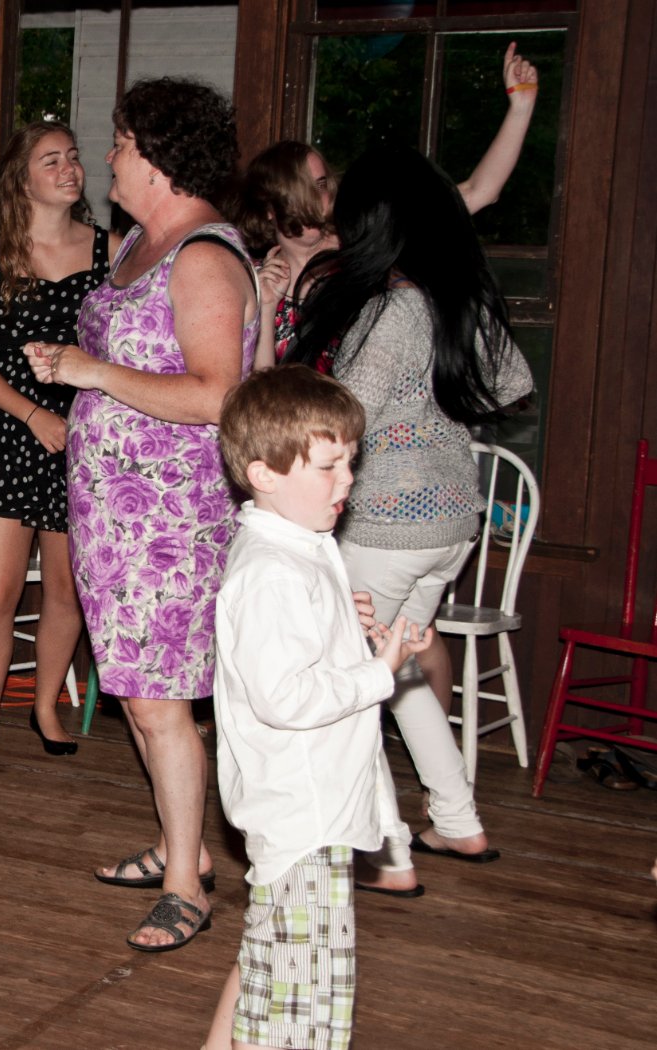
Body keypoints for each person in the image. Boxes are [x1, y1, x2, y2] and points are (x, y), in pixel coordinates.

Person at [25, 76, 258, 952]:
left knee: (159, 701)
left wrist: (90, 372)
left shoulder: (201, 257)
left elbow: (218, 395)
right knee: (136, 690)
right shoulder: (137, 245)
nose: (108, 158)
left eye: (120, 143)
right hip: (116, 514)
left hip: (172, 519)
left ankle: (185, 889)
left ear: (157, 157)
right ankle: (177, 843)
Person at [290, 142, 534, 893]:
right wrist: (430, 407)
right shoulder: (454, 296)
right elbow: (512, 385)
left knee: (351, 682)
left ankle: (387, 852)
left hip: (386, 526)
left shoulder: (396, 307)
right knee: (398, 672)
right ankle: (456, 820)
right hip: (451, 522)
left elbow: (344, 414)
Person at [204, 364, 432, 1050]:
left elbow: (305, 653)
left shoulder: (301, 546)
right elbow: (284, 697)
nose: (347, 480)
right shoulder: (271, 571)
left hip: (315, 803)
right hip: (300, 807)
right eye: (328, 466)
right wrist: (377, 673)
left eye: (350, 462)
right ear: (264, 473)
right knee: (298, 1009)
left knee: (273, 955)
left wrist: (353, 627)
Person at [0, 121, 113, 774]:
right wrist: (32, 414)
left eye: (73, 157)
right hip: (6, 432)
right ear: (21, 177)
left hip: (80, 433)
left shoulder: (109, 250)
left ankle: (45, 707)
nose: (68, 168)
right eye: (50, 160)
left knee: (65, 589)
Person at [244, 40, 539, 373]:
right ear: (269, 209)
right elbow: (252, 390)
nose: (322, 196)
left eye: (323, 183)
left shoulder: (363, 245)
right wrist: (263, 304)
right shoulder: (250, 278)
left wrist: (521, 107)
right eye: (305, 189)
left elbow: (478, 192)